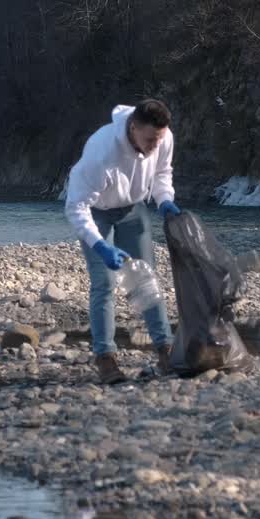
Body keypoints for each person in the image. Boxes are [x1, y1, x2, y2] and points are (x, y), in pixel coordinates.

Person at [65, 99, 181, 384]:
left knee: (146, 280)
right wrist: (100, 245)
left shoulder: (163, 138)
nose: (156, 145)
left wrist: (165, 200)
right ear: (133, 128)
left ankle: (166, 349)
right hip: (97, 213)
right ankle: (105, 358)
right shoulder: (100, 151)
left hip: (133, 209)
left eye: (160, 138)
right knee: (104, 284)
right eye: (150, 139)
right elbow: (75, 207)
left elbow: (162, 173)